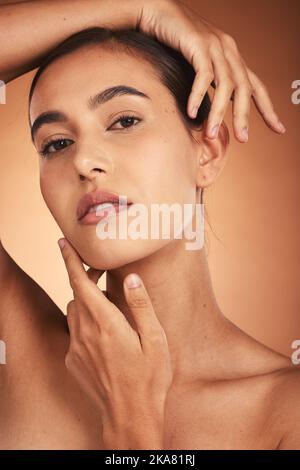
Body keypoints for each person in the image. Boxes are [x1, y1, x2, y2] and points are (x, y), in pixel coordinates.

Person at [1, 1, 298, 451]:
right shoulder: (22, 353)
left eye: (124, 120)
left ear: (208, 151)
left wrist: (132, 427)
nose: (83, 161)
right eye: (57, 143)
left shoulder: (285, 410)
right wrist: (139, 5)